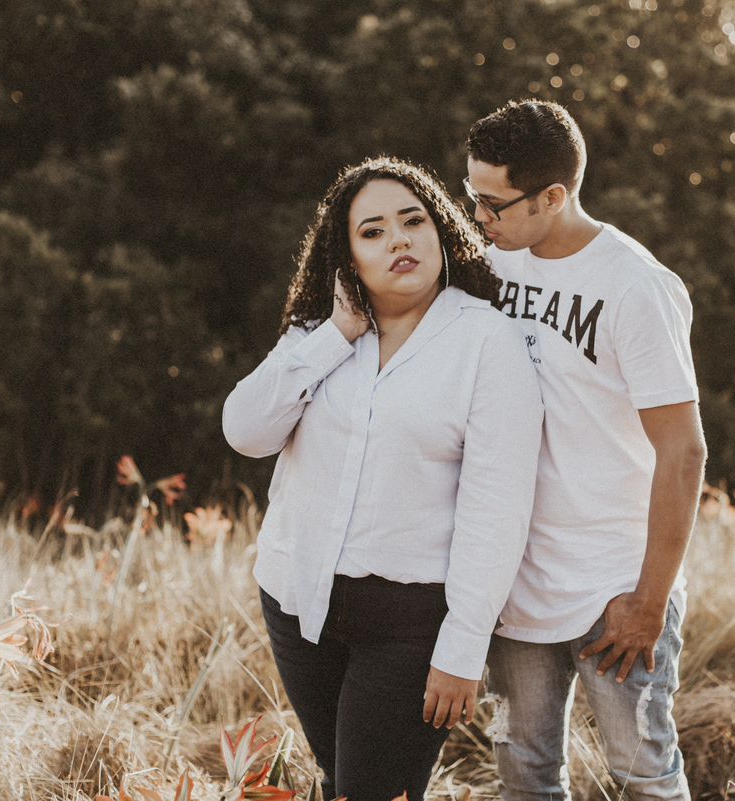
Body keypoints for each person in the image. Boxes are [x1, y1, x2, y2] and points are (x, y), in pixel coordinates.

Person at [222, 156, 543, 801]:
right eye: (372, 231)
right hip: (297, 602)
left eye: (412, 221)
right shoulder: (318, 331)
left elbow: (497, 509)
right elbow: (246, 431)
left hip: (410, 623)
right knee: (341, 782)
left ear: (440, 233)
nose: (398, 240)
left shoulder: (488, 342)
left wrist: (462, 645)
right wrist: (337, 334)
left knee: (375, 791)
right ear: (347, 257)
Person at [464, 100, 707, 800]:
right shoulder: (489, 264)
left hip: (614, 586)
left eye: (493, 203)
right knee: (524, 777)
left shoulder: (635, 286)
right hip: (515, 584)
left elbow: (684, 452)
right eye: (471, 195)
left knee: (643, 775)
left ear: (552, 196)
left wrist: (649, 601)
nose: (478, 217)